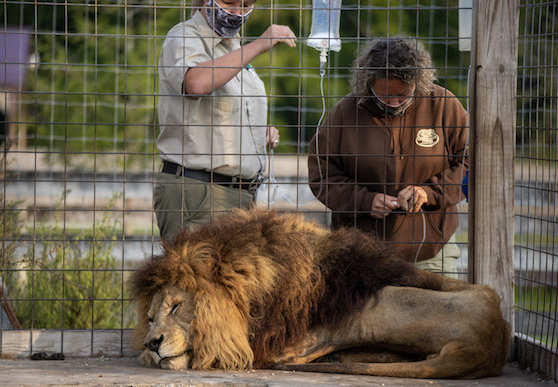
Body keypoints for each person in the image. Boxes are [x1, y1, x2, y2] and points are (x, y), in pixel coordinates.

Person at [308, 36, 468, 277]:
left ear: (419, 81)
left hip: (431, 251)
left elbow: (469, 163)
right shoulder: (346, 112)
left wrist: (428, 193)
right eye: (383, 96)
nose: (394, 103)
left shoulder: (444, 105)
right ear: (367, 82)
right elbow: (321, 173)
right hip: (361, 257)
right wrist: (365, 201)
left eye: (403, 95)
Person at [154, 0, 296, 238]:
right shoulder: (185, 36)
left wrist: (257, 133)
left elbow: (224, 110)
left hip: (240, 197)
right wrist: (259, 44)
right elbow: (196, 83)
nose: (237, 13)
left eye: (246, 5)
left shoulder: (233, 48)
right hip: (201, 193)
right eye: (229, 2)